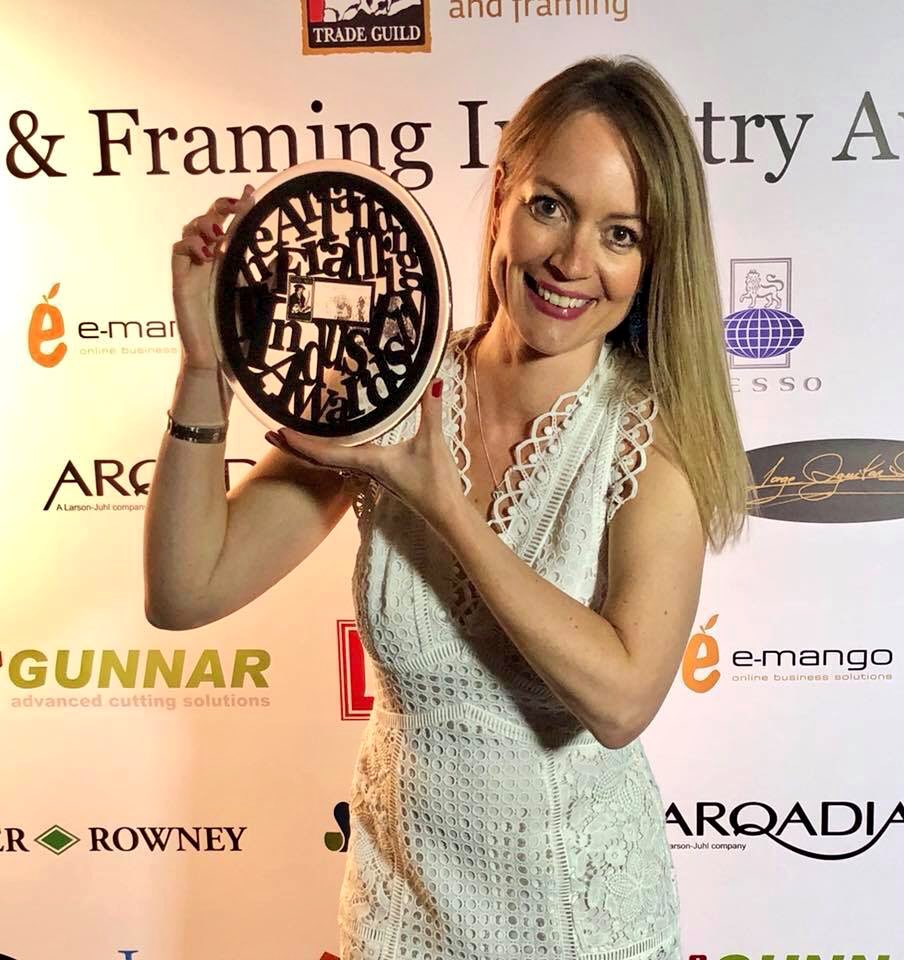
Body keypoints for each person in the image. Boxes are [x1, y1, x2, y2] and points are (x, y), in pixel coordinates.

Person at [146, 55, 750, 960]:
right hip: (398, 921)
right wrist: (205, 369)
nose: (572, 262)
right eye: (551, 206)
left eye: (621, 234)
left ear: (653, 260)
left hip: (582, 933)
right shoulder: (393, 385)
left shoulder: (651, 435)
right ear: (502, 194)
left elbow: (623, 701)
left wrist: (442, 503)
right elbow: (184, 591)